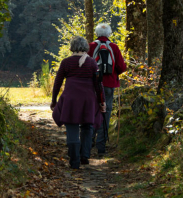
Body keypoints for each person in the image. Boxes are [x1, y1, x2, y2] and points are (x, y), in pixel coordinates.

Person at [51, 36, 106, 169]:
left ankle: (74, 160)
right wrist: (102, 101)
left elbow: (57, 82)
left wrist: (54, 100)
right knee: (87, 127)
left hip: (70, 100)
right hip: (88, 99)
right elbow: (98, 85)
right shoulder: (92, 63)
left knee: (72, 127)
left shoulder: (66, 62)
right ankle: (84, 156)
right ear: (85, 47)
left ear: (72, 47)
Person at [88, 23, 127, 155]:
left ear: (97, 33)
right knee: (106, 112)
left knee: (92, 112)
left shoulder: (91, 46)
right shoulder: (114, 47)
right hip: (109, 84)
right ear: (109, 33)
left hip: (93, 84)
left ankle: (88, 142)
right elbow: (121, 67)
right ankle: (101, 147)